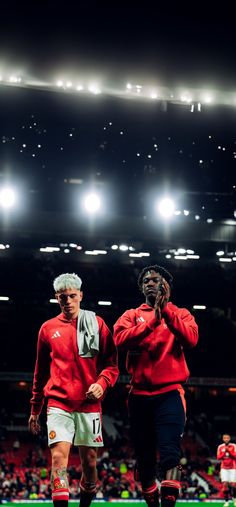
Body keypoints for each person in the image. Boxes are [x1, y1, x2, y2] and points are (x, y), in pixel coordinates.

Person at [28, 273, 119, 507]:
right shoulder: (47, 329)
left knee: (90, 464)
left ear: (81, 295)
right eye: (62, 297)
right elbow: (40, 373)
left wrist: (102, 383)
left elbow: (112, 364)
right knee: (58, 459)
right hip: (58, 403)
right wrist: (35, 409)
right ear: (56, 299)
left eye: (71, 296)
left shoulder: (97, 323)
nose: (67, 301)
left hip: (89, 405)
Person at [113, 264, 198, 507]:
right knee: (145, 460)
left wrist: (166, 313)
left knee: (171, 453)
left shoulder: (181, 313)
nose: (150, 283)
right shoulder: (131, 315)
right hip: (138, 396)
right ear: (141, 288)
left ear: (166, 286)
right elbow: (119, 339)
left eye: (156, 279)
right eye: (146, 280)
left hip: (170, 393)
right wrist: (152, 322)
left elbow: (191, 339)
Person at [217, 434, 236, 507]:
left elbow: (235, 456)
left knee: (234, 485)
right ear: (223, 439)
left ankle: (234, 499)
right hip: (224, 468)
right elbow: (218, 457)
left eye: (227, 438)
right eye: (225, 438)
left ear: (230, 438)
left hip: (233, 468)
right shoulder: (220, 447)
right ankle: (226, 501)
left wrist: (229, 451)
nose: (226, 439)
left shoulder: (234, 446)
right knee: (225, 485)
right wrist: (224, 451)